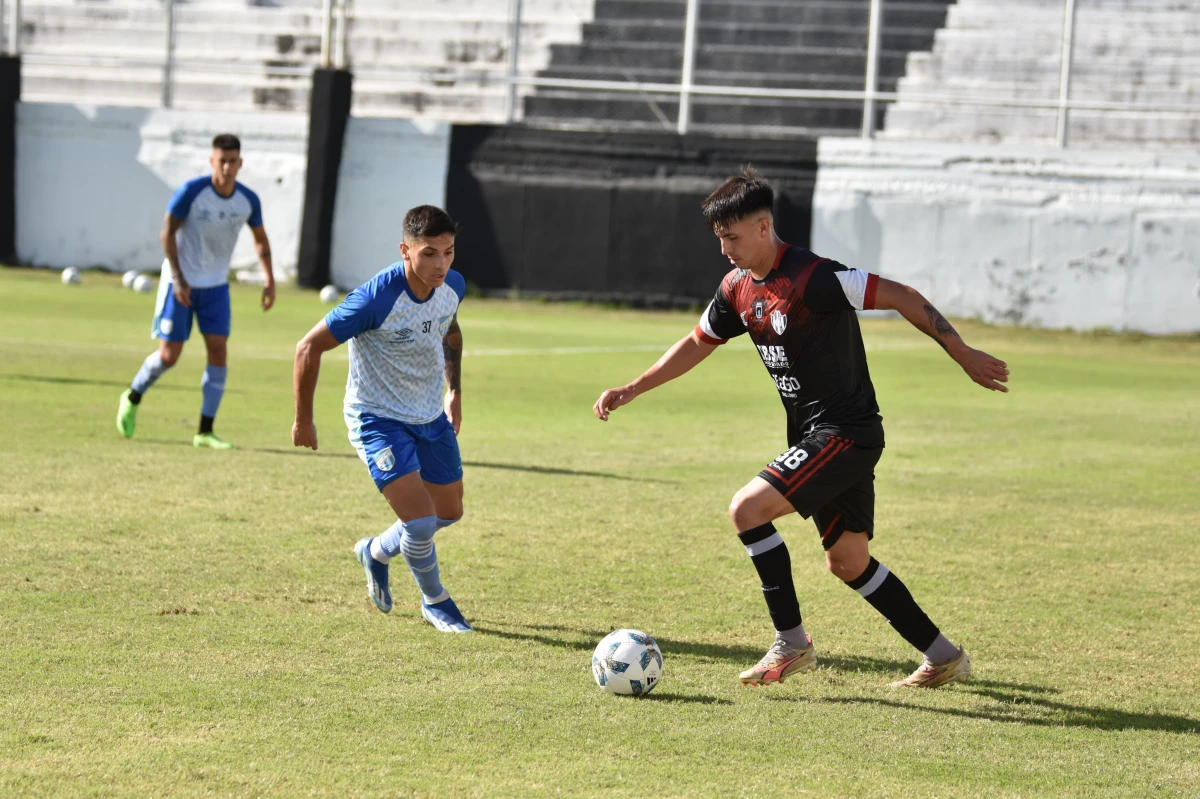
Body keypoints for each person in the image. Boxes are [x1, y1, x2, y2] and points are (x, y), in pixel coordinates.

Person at [592, 168, 1010, 688]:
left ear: (764, 227)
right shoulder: (737, 287)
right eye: (719, 239)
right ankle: (944, 656)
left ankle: (791, 643)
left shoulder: (815, 278)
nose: (725, 249)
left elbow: (901, 294)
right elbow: (698, 342)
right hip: (818, 436)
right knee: (848, 561)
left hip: (845, 433)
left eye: (733, 237)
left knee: (747, 509)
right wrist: (632, 388)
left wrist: (962, 352)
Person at [291, 205, 472, 633]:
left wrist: (455, 391)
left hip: (428, 414)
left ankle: (375, 552)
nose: (440, 264)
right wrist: (304, 419)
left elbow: (451, 331)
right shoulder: (376, 298)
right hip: (377, 418)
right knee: (421, 520)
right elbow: (306, 348)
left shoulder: (453, 285)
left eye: (448, 252)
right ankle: (436, 601)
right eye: (429, 253)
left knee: (448, 511)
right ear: (405, 251)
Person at [115, 133, 275, 448]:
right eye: (221, 161)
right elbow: (167, 232)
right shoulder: (191, 192)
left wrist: (269, 279)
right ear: (212, 161)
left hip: (215, 287)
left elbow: (259, 238)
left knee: (218, 351)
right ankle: (132, 396)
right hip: (180, 283)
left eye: (232, 162)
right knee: (169, 356)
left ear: (240, 163)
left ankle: (204, 431)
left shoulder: (248, 200)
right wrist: (177, 277)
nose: (227, 168)